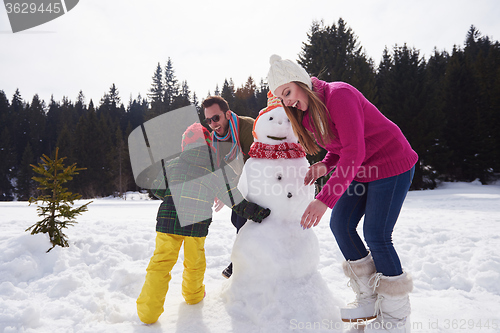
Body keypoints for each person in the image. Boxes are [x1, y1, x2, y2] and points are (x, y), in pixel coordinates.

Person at [267, 54, 418, 333]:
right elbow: (340, 148)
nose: (287, 102)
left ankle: (395, 319)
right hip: (362, 169)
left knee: (377, 235)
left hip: (391, 163)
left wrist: (324, 199)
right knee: (341, 224)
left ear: (301, 81)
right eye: (281, 98)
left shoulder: (339, 95)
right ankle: (369, 299)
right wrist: (324, 165)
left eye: (287, 92)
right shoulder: (308, 114)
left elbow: (354, 150)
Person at [136, 123, 270, 325]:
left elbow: (157, 189)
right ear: (209, 145)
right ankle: (193, 296)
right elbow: (235, 201)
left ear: (184, 145)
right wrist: (258, 213)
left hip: (168, 221)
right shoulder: (216, 170)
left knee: (160, 263)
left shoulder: (172, 164)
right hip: (196, 225)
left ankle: (147, 312)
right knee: (194, 262)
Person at [202, 96, 255, 278]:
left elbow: (255, 163)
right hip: (241, 182)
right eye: (208, 120)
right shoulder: (216, 139)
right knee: (236, 220)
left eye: (216, 118)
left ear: (227, 114)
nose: (213, 124)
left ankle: (239, 263)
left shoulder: (248, 127)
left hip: (262, 180)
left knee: (243, 221)